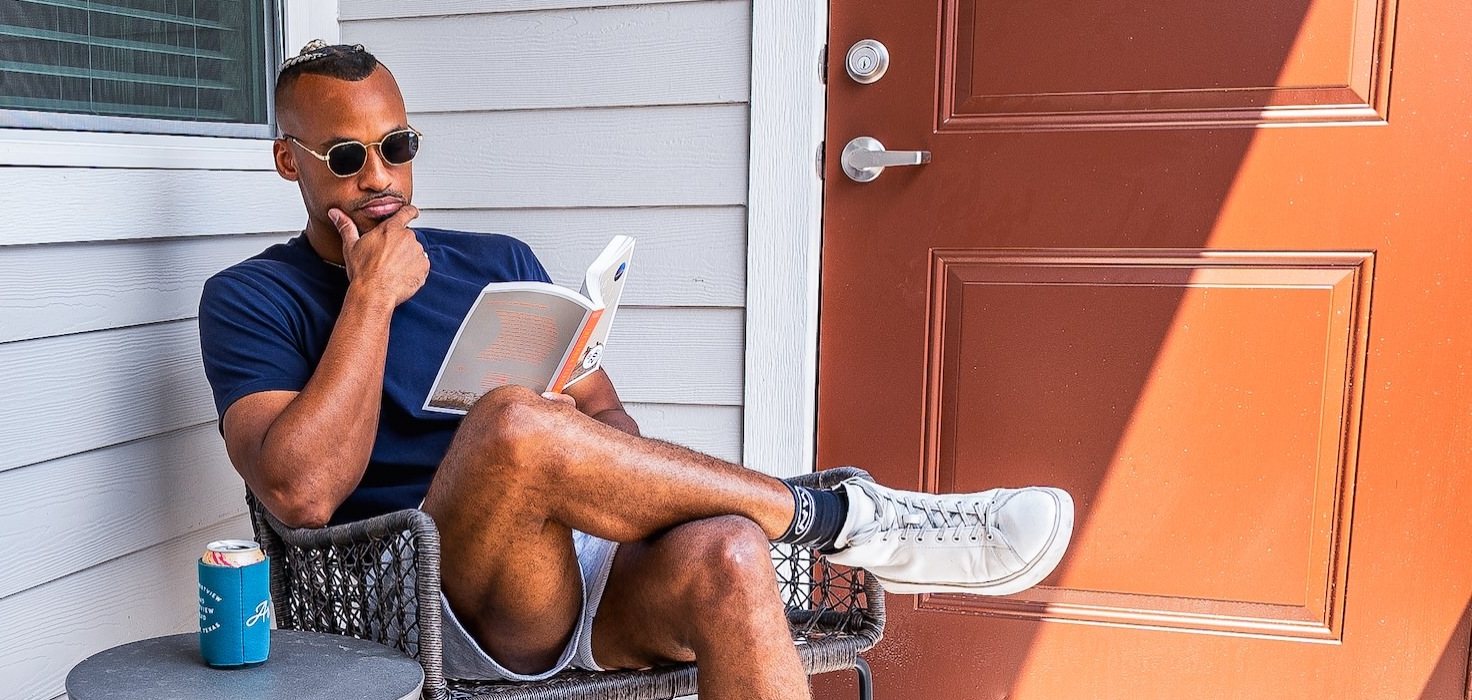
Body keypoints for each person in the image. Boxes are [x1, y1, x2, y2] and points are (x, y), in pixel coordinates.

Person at [199, 41, 1074, 700]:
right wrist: (372, 298)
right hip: (431, 604)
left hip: (590, 568)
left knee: (730, 554)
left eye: (398, 144)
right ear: (291, 163)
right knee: (509, 422)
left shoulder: (495, 258)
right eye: (347, 158)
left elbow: (615, 428)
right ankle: (846, 516)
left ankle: (819, 519)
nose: (381, 176)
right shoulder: (252, 298)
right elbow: (302, 493)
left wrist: (567, 438)